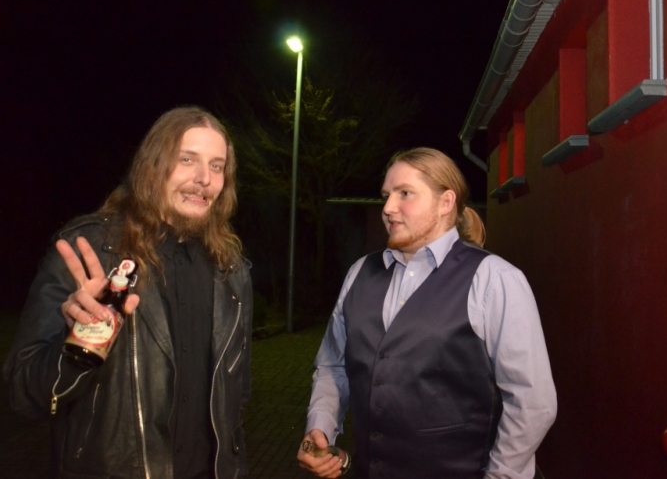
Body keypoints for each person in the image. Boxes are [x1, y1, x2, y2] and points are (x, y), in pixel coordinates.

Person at [4, 107, 253, 479]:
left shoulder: (231, 270)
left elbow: (236, 398)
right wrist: (80, 343)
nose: (204, 178)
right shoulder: (90, 249)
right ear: (152, 166)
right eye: (187, 160)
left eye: (217, 166)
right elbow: (22, 395)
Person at [297, 147, 557, 479]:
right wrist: (320, 426)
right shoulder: (360, 272)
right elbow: (333, 366)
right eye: (386, 196)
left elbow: (532, 401)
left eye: (405, 194)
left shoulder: (495, 279)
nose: (388, 208)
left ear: (445, 203)